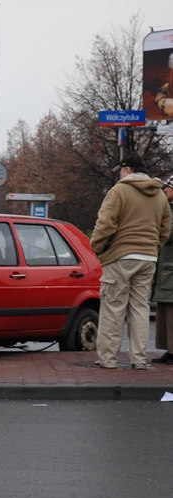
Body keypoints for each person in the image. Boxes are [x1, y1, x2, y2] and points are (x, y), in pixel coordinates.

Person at [90, 152, 171, 369]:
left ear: (127, 170)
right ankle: (139, 359)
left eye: (121, 172)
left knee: (113, 308)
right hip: (148, 258)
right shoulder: (160, 194)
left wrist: (97, 247)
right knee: (140, 308)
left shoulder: (119, 191)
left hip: (120, 256)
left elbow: (105, 223)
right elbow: (165, 229)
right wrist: (153, 248)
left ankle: (108, 359)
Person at [152, 176, 173, 365]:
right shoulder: (168, 209)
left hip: (170, 270)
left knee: (171, 312)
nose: (165, 190)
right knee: (164, 311)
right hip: (165, 268)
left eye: (168, 188)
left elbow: (167, 234)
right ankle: (169, 350)